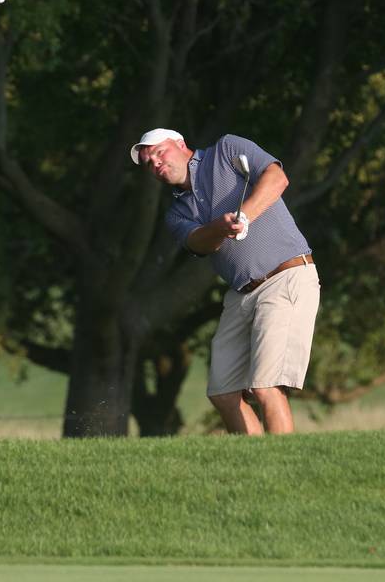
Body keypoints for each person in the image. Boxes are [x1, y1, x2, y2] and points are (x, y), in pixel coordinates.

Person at [130, 128, 320, 435]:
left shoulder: (227, 149)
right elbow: (199, 243)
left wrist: (243, 216)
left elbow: (277, 179)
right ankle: (255, 469)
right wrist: (220, 227)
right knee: (223, 392)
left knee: (266, 386)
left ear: (180, 144)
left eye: (159, 152)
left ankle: (283, 470)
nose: (155, 163)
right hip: (241, 294)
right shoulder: (177, 213)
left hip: (286, 277)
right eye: (149, 162)